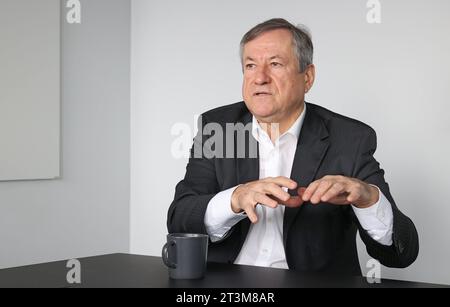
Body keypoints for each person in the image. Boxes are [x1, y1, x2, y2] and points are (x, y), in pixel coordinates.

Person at [167, 18, 419, 274]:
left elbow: (401, 253)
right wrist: (234, 199)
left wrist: (369, 200)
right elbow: (180, 220)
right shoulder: (218, 128)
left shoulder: (349, 139)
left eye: (275, 64)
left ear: (307, 77)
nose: (260, 78)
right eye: (250, 65)